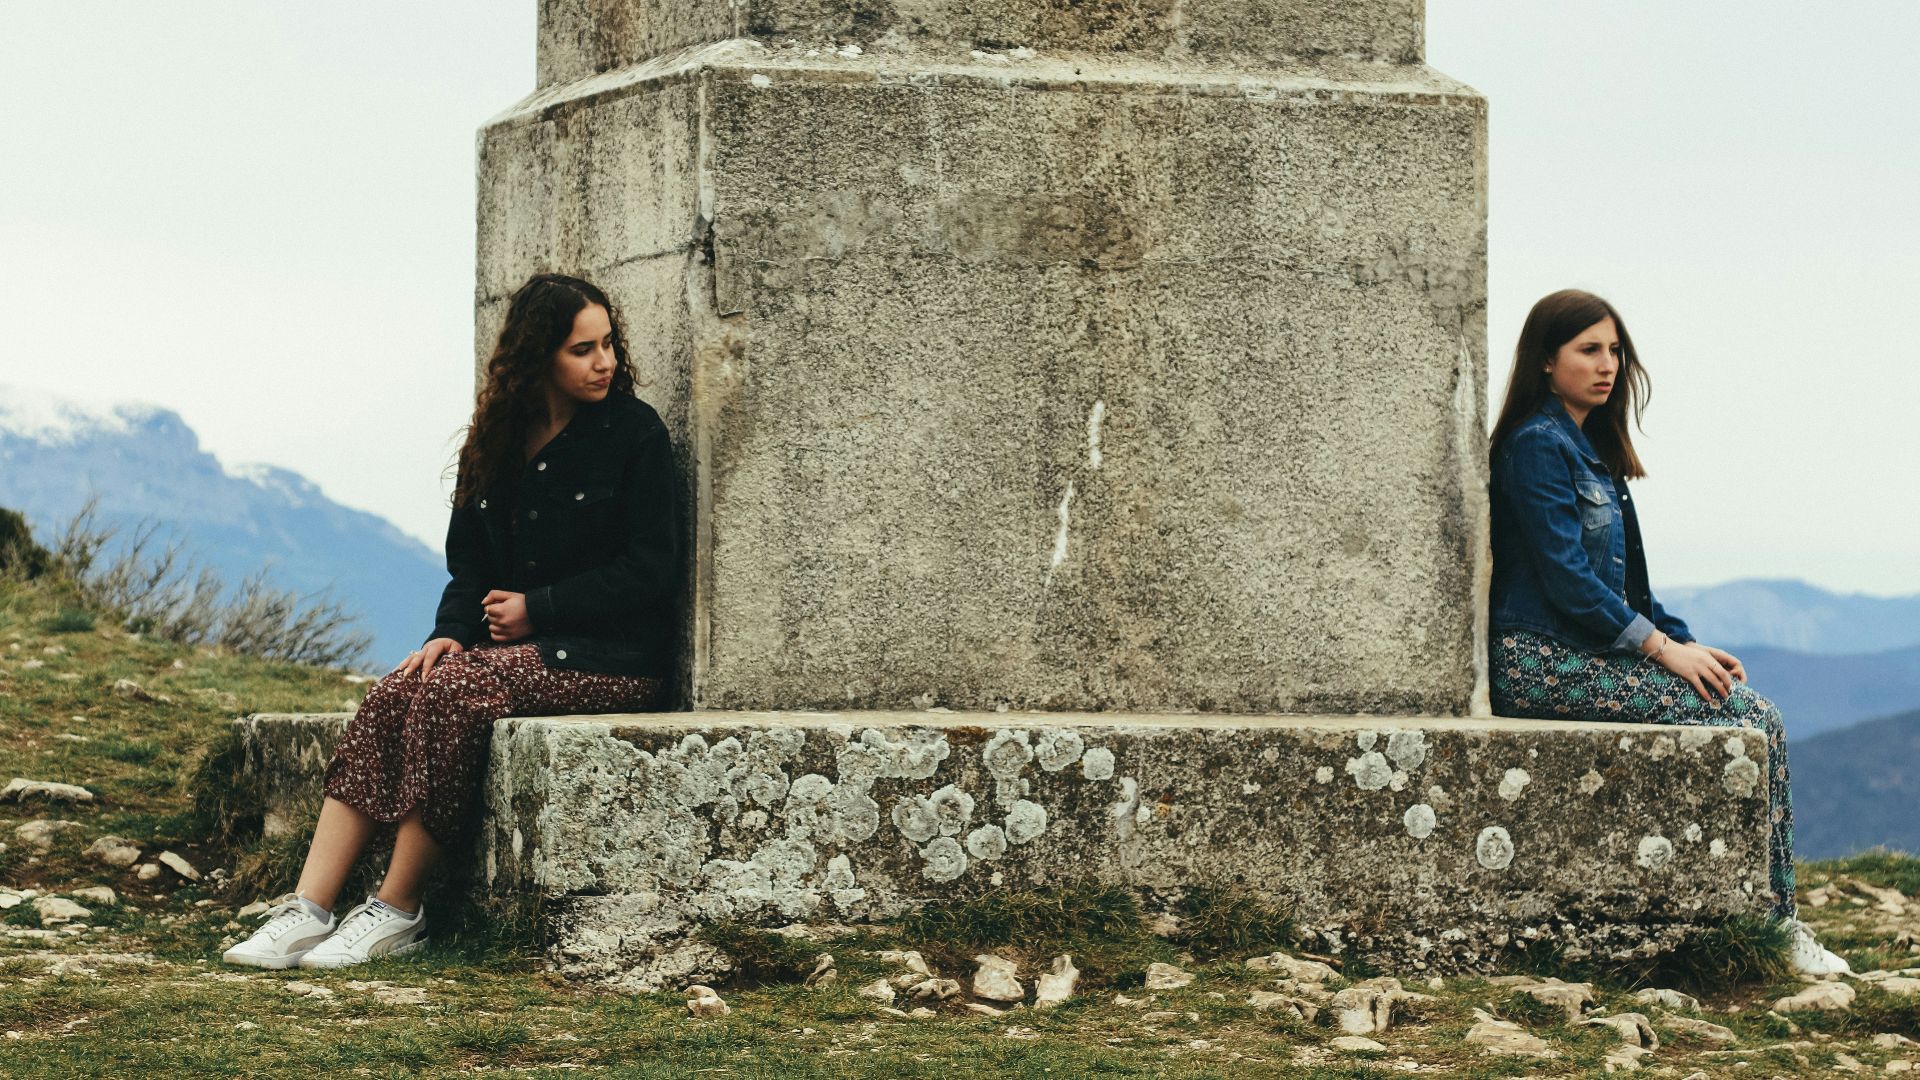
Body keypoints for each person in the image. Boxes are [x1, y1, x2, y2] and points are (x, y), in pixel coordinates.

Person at [222, 273, 680, 969]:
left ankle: (397, 909)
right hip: (512, 655)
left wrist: (540, 609)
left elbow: (652, 569)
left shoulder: (634, 434)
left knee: (454, 692)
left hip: (610, 658)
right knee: (397, 687)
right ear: (539, 358)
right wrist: (446, 632)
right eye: (582, 349)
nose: (605, 362)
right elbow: (468, 567)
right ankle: (308, 909)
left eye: (609, 343)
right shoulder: (494, 441)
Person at [1486, 288, 1847, 976]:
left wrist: (1685, 640)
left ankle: (1777, 920)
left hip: (1582, 650)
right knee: (1752, 716)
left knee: (1757, 714)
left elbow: (1630, 589)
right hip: (1537, 659)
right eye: (1589, 350)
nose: (1608, 365)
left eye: (1615, 351)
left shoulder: (1589, 447)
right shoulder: (1536, 446)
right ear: (1544, 360)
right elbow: (1567, 580)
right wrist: (1661, 650)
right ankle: (1776, 926)